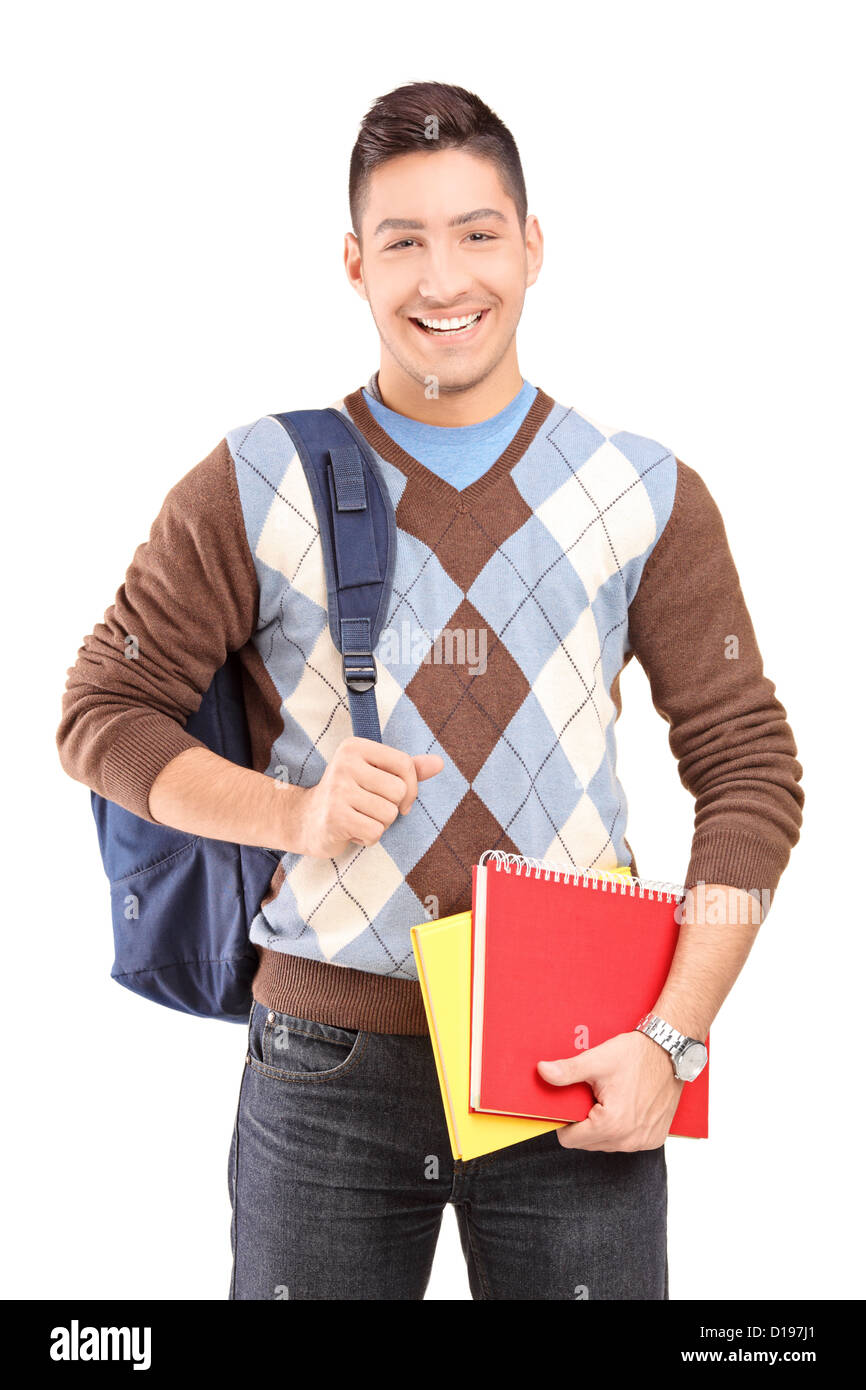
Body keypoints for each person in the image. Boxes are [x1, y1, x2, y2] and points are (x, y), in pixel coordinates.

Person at [56, 80, 804, 1301]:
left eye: (476, 232)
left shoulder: (641, 491)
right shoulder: (259, 476)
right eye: (402, 239)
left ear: (532, 247)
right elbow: (101, 713)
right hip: (323, 1065)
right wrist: (291, 814)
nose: (442, 277)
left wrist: (672, 1036)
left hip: (576, 1057)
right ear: (354, 264)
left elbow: (749, 772)